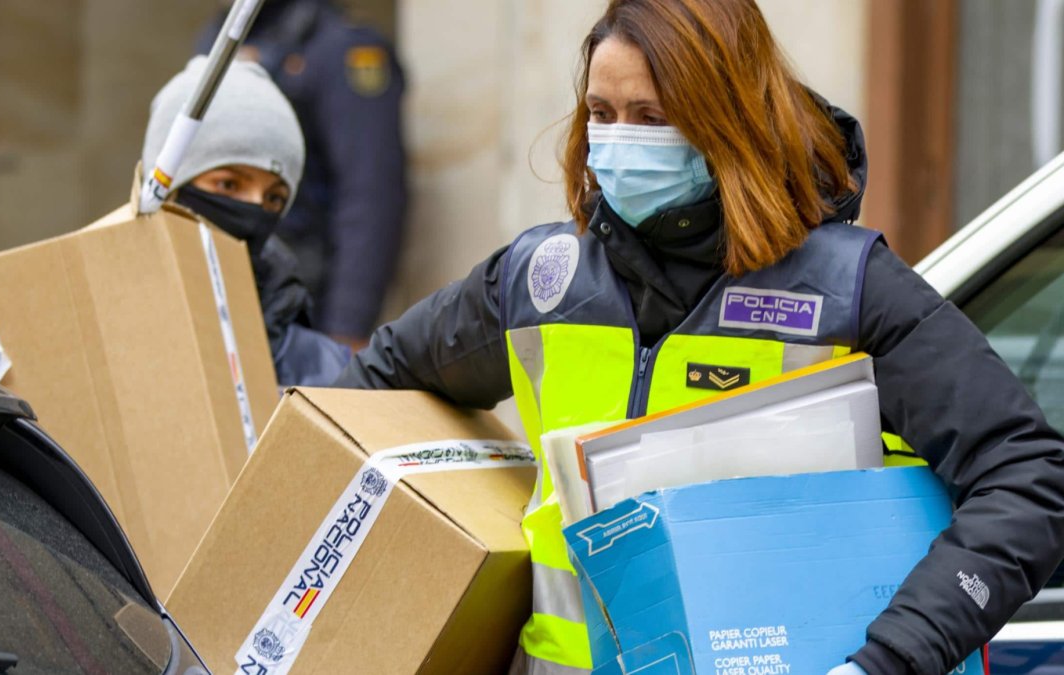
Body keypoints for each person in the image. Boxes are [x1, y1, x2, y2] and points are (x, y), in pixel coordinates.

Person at [333, 1, 1064, 673]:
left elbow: (1027, 477)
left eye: (651, 115)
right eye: (601, 113)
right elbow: (372, 392)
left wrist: (891, 658)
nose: (618, 141)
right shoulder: (540, 281)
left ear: (728, 117)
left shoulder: (848, 292)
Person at [196, 0, 407, 349]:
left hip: (305, 307)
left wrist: (347, 329)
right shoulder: (217, 40)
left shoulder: (340, 49)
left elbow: (371, 196)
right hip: (224, 296)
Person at [142, 56, 349, 387]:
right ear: (168, 190)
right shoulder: (88, 318)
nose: (254, 210)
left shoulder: (325, 369)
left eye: (274, 198)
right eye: (228, 185)